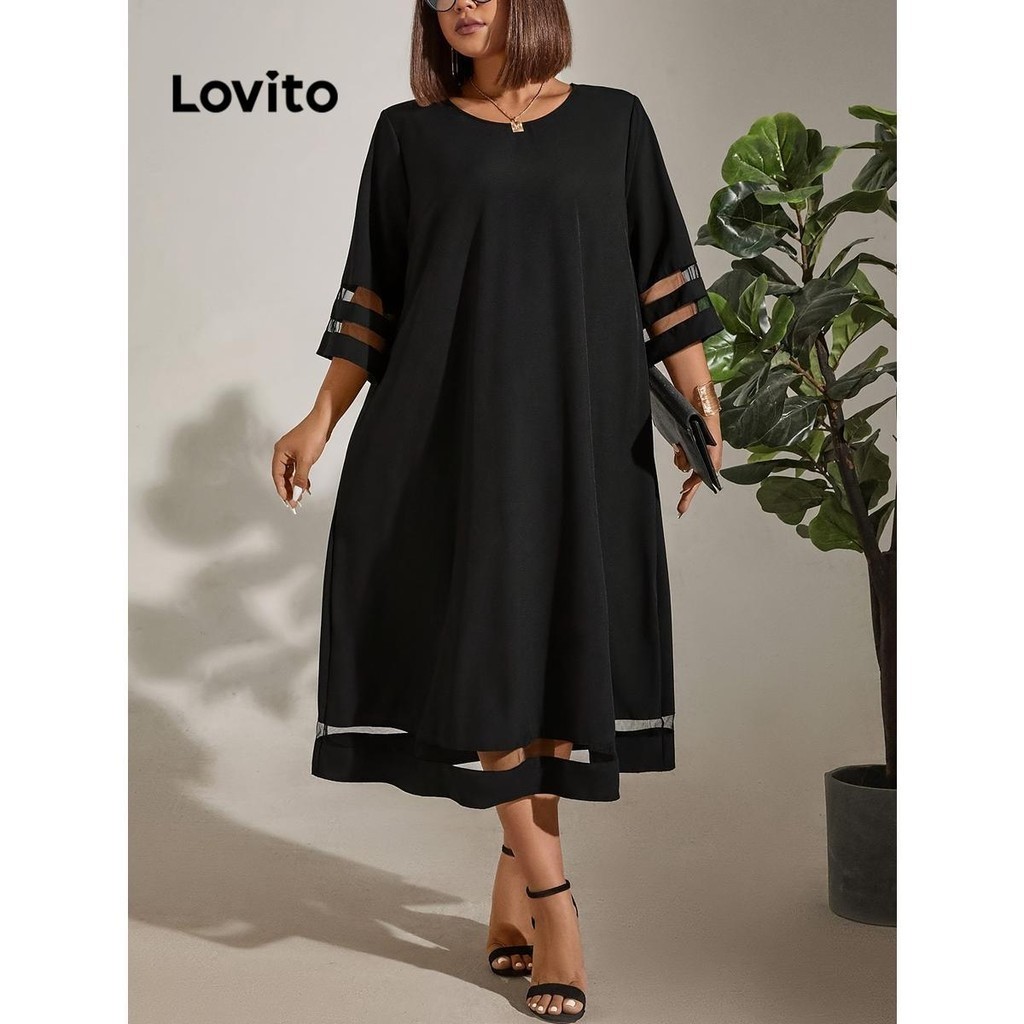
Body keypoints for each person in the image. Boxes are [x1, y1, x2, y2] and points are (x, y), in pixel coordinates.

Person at [272, 1, 725, 1018]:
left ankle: (512, 875)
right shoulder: (410, 135)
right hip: (449, 434)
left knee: (552, 655)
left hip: (583, 432)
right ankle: (555, 901)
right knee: (485, 652)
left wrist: (700, 404)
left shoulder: (614, 121)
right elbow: (374, 295)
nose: (462, 5)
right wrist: (320, 419)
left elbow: (663, 276)